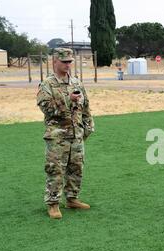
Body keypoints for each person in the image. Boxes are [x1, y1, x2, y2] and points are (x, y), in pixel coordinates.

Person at [37, 48, 94, 219]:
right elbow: (46, 108)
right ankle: (53, 203)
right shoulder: (47, 84)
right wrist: (68, 99)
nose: (67, 65)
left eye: (70, 61)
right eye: (64, 62)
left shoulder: (77, 83)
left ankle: (72, 198)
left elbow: (86, 107)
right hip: (57, 136)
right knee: (55, 169)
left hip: (76, 135)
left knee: (76, 168)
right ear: (55, 61)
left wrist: (88, 126)